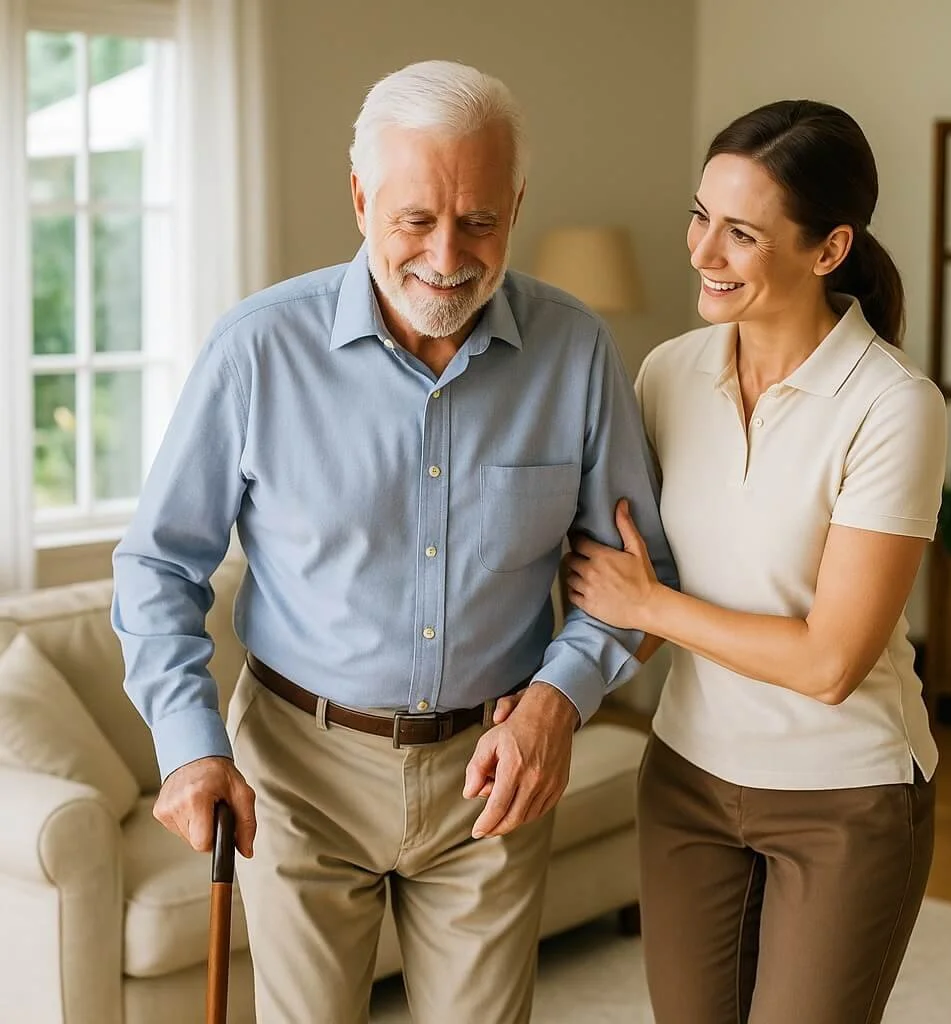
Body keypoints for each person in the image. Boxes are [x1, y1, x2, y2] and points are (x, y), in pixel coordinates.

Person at [111, 60, 674, 1024]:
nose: (448, 255)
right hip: (297, 768)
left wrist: (558, 703)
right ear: (361, 196)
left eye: (481, 220)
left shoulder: (575, 350)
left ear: (517, 202)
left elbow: (636, 573)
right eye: (415, 219)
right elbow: (160, 563)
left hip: (493, 768)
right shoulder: (257, 349)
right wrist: (189, 748)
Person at [561, 100, 947, 1024]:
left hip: (845, 798)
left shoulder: (893, 406)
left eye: (741, 233)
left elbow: (829, 662)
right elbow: (630, 578)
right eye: (701, 216)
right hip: (688, 780)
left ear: (828, 249)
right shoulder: (665, 374)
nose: (701, 252)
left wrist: (649, 607)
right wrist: (547, 699)